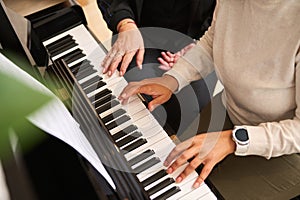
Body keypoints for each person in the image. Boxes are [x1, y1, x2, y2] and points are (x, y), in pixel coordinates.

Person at [118, 0, 300, 199]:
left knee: (187, 192)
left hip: (286, 148)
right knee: (162, 172)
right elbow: (213, 40)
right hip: (232, 110)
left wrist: (233, 141)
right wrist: (172, 79)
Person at [97, 0, 218, 135]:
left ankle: (167, 145)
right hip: (139, 33)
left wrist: (196, 49)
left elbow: (224, 21)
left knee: (195, 106)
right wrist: (125, 23)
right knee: (138, 99)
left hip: (197, 40)